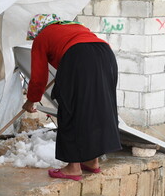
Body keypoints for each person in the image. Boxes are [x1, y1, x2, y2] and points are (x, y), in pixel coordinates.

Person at [22, 14, 121, 181]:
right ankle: (92, 162)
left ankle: (73, 168)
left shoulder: (42, 37)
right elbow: (81, 46)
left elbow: (39, 78)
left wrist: (30, 101)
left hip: (78, 57)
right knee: (95, 108)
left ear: (36, 30)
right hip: (106, 56)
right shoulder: (76, 27)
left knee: (71, 109)